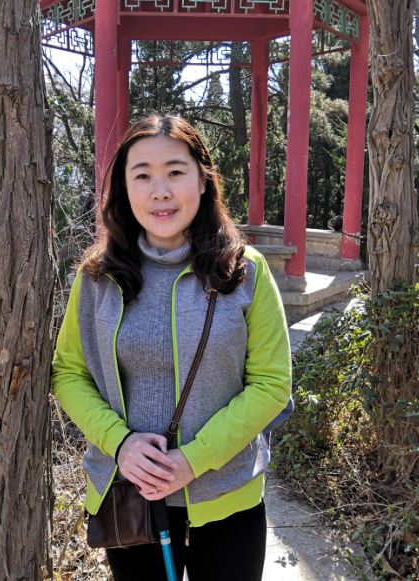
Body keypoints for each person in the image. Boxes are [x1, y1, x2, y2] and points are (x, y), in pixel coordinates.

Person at [51, 115, 291, 581]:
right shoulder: (97, 277)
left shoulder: (246, 272)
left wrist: (193, 460)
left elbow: (271, 384)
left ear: (202, 180)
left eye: (175, 172)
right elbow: (68, 373)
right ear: (124, 189)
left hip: (227, 497)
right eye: (142, 175)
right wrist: (120, 444)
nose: (160, 191)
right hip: (129, 494)